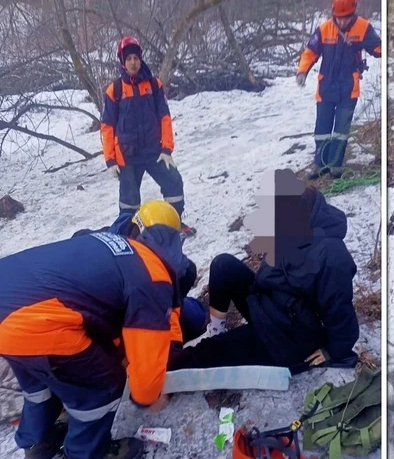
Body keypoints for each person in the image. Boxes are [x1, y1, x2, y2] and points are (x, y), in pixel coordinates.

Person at [0, 201, 187, 459]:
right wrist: (148, 396)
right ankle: (86, 453)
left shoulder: (108, 242)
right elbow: (147, 350)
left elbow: (91, 305)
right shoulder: (152, 273)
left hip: (10, 304)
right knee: (102, 383)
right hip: (35, 322)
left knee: (39, 385)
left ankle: (36, 444)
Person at [168, 174, 359, 374]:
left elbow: (339, 307)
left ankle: (165, 370)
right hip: (270, 306)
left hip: (288, 337)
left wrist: (334, 350)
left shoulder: (331, 254)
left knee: (207, 353)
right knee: (223, 265)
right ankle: (216, 331)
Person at [100, 36, 195, 238]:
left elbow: (164, 118)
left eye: (136, 58)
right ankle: (129, 236)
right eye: (129, 59)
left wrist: (166, 149)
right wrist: (110, 160)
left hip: (154, 152)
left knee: (174, 183)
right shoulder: (114, 90)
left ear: (140, 59)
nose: (133, 62)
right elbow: (107, 127)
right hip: (127, 156)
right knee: (129, 202)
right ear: (123, 62)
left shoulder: (154, 85)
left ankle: (174, 223)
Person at [71, 204, 207, 342]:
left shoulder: (107, 235)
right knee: (192, 319)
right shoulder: (137, 261)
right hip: (107, 319)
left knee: (195, 316)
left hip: (129, 308)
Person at [296, 0, 381, 179]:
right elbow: (310, 52)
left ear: (353, 12)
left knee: (341, 131)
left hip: (348, 88)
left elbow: (378, 48)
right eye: (339, 18)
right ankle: (320, 165)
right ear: (333, 13)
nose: (342, 22)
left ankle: (335, 166)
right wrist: (302, 71)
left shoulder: (363, 28)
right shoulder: (324, 29)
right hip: (326, 87)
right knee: (322, 129)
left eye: (346, 18)